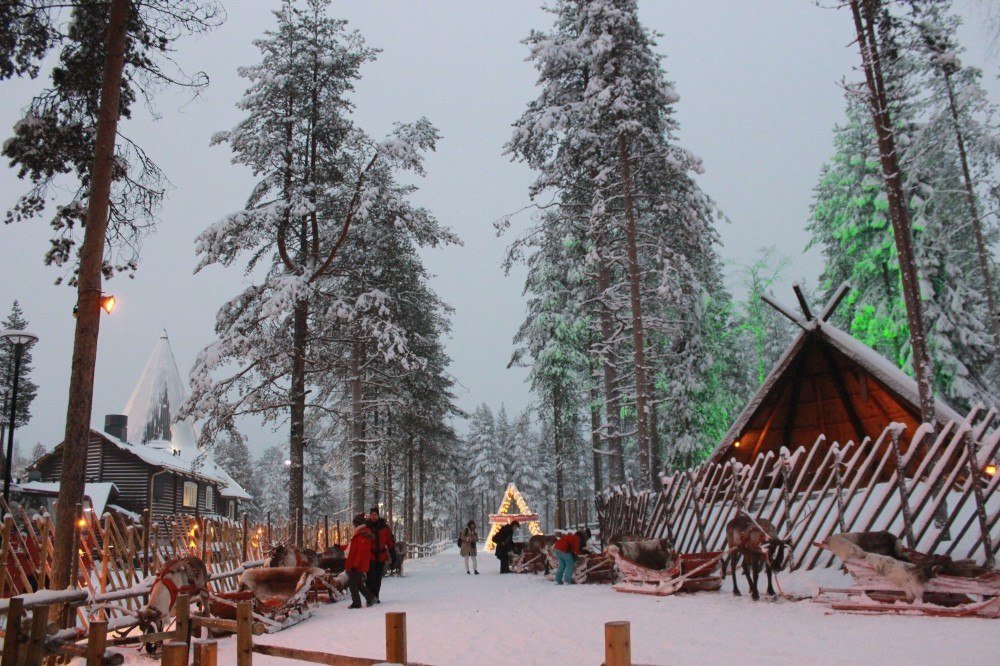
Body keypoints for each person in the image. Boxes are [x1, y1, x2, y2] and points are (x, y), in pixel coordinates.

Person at [344, 513, 376, 609]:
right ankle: (370, 598)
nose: (353, 526)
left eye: (354, 524)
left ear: (358, 524)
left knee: (352, 583)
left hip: (358, 565)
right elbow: (352, 548)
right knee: (358, 583)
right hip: (356, 564)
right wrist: (340, 547)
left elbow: (360, 552)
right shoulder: (360, 534)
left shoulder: (362, 535)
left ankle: (357, 603)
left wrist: (355, 565)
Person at [366, 506, 395, 602]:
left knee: (378, 578)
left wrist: (393, 555)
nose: (373, 516)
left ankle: (376, 596)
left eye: (375, 515)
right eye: (372, 515)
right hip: (370, 556)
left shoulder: (384, 527)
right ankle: (370, 597)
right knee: (370, 578)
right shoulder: (367, 526)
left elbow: (390, 542)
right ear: (370, 516)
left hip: (381, 557)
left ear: (378, 515)